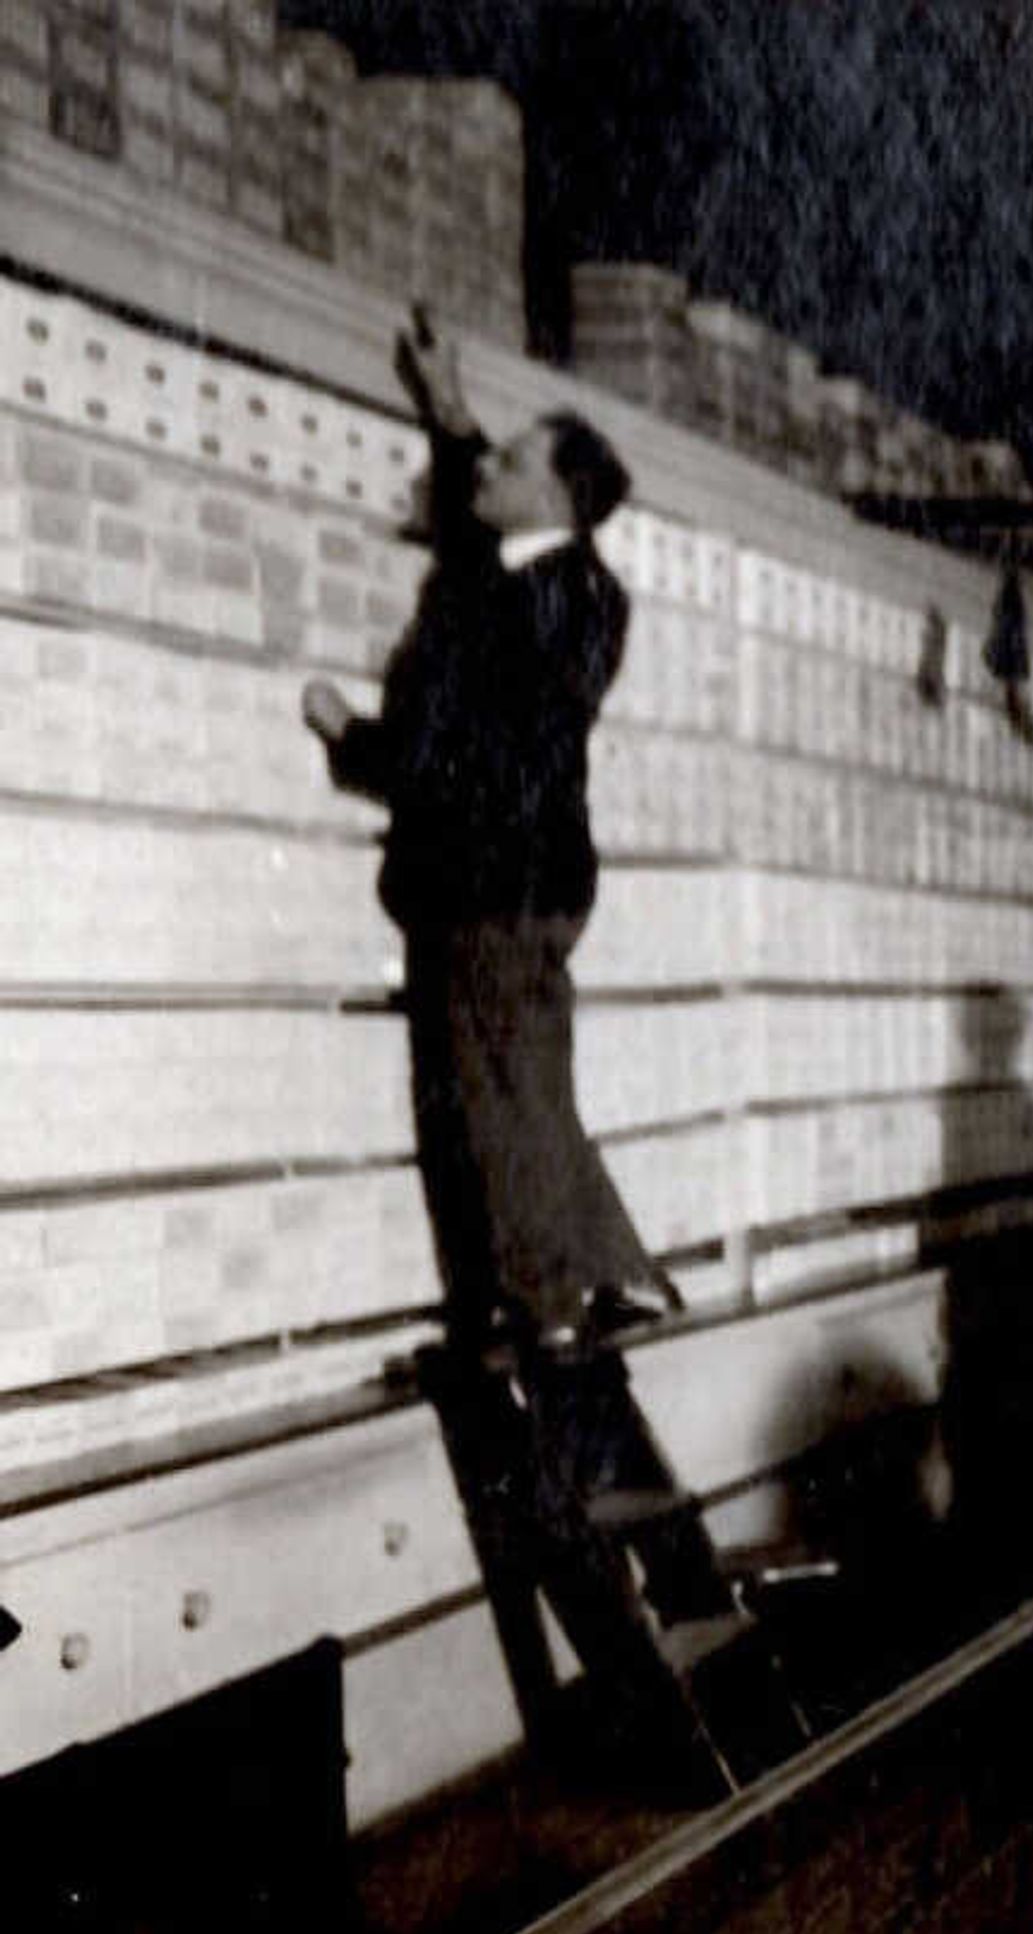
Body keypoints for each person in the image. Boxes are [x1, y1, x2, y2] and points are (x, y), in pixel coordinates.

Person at [303, 306, 663, 1345]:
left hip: (491, 885)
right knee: (527, 1090)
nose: (480, 474)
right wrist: (449, 405)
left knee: (492, 1106)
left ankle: (543, 1309)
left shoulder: (548, 602)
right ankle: (590, 1280)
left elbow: (451, 754)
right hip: (527, 885)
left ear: (550, 494)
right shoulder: (564, 584)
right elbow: (478, 526)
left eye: (506, 461)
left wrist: (345, 734)